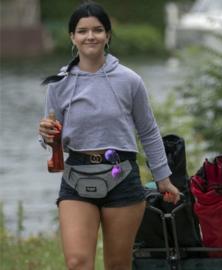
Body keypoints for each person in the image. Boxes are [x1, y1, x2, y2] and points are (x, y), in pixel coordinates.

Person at [37, 2, 180, 269]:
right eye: (82, 31)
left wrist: (164, 179)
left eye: (97, 30)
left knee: (117, 264)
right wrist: (46, 135)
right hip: (76, 177)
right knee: (77, 262)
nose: (90, 36)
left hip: (122, 177)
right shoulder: (59, 84)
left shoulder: (130, 80)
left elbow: (148, 131)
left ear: (108, 35)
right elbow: (51, 139)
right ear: (72, 37)